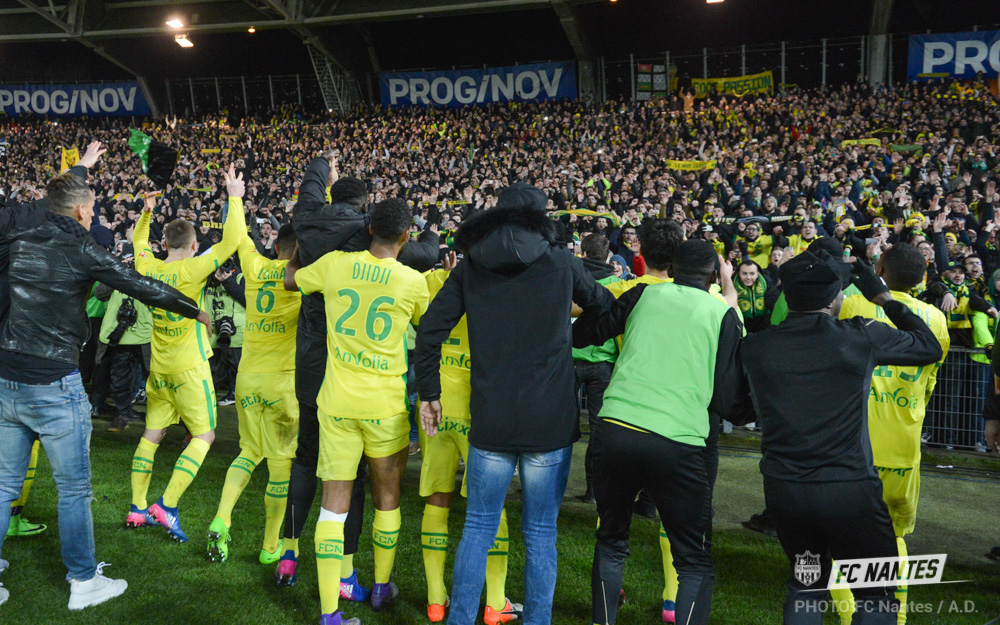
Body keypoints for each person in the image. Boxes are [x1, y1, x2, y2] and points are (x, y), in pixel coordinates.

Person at [0, 155, 210, 610]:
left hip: (8, 376)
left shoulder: (16, 237)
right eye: (92, 208)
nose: (93, 214)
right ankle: (83, 582)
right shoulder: (82, 248)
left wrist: (77, 172)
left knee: (2, 485)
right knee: (74, 488)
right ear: (80, 211)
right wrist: (193, 309)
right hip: (54, 381)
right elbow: (140, 284)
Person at [416, 182, 614, 625]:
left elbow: (429, 331)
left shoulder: (472, 265)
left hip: (493, 417)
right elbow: (603, 306)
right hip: (549, 419)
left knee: (478, 527)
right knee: (540, 533)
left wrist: (429, 393)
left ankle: (461, 618)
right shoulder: (562, 261)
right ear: (540, 218)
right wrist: (571, 335)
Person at [742, 251, 944, 625]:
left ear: (787, 294)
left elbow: (736, 409)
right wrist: (884, 298)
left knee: (805, 586)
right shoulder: (861, 334)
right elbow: (928, 347)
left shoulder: (756, 345)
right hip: (849, 491)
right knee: (875, 593)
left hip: (786, 490)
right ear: (834, 298)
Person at [277, 154, 438, 597]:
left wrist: (320, 168)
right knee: (364, 483)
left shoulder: (313, 228)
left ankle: (289, 554)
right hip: (370, 389)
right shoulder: (393, 263)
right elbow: (424, 262)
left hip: (319, 370)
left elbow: (292, 277)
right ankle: (353, 577)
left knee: (307, 461)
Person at [573, 239, 753, 625]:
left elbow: (586, 333)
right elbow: (730, 401)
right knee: (694, 560)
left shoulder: (642, 294)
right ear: (715, 275)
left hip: (617, 427)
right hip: (678, 440)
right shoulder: (722, 313)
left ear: (671, 269)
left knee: (611, 541)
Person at [125, 164, 246, 542]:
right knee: (204, 436)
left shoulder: (148, 267)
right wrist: (234, 197)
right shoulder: (194, 269)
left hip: (158, 367)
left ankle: (137, 507)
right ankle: (168, 504)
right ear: (194, 245)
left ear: (165, 245)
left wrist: (146, 212)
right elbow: (233, 239)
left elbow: (137, 242)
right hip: (190, 368)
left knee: (152, 434)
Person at [831, 244, 950, 625]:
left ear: (879, 269)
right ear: (922, 278)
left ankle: (852, 618)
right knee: (893, 536)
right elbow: (930, 382)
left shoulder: (853, 304)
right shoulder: (936, 319)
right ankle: (894, 620)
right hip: (903, 445)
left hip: (853, 444)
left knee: (840, 534)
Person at [418, 251, 521, 625]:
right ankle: (494, 603)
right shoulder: (506, 288)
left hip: (436, 403)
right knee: (491, 503)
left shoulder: (434, 282)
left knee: (437, 496)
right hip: (482, 407)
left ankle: (435, 600)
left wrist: (446, 273)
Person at [207, 223, 301, 565]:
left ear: (276, 247)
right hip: (282, 383)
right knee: (280, 464)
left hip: (247, 378)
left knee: (248, 451)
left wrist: (235, 200)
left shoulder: (255, 265)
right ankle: (270, 546)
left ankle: (222, 517)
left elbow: (240, 235)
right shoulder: (304, 278)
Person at [572, 233, 621, 504]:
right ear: (608, 257)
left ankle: (548, 484)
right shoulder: (618, 285)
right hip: (603, 363)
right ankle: (594, 490)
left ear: (584, 254)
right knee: (599, 430)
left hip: (569, 359)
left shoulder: (572, 278)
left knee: (558, 425)